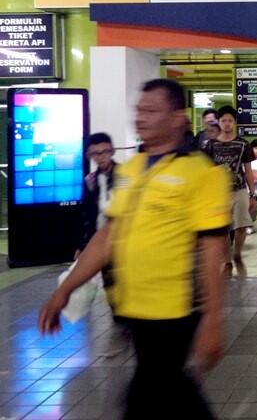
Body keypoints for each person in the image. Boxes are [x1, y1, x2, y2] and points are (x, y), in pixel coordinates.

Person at [39, 79, 230, 419]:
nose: (140, 117)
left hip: (175, 312)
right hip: (134, 309)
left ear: (177, 118)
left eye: (151, 110)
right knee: (167, 393)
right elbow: (107, 238)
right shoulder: (130, 170)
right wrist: (66, 288)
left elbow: (214, 250)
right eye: (139, 109)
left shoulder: (202, 173)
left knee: (148, 393)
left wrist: (213, 320)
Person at [80, 132, 129, 357]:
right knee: (109, 283)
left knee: (126, 279)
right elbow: (87, 215)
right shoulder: (89, 181)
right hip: (101, 239)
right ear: (90, 155)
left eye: (105, 152)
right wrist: (83, 244)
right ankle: (120, 322)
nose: (101, 157)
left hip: (124, 238)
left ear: (112, 151)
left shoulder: (124, 176)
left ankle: (130, 321)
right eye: (96, 154)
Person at [203, 105, 257, 276]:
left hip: (240, 189)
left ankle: (237, 253)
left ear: (235, 123)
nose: (227, 124)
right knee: (223, 228)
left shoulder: (243, 145)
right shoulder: (211, 145)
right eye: (223, 120)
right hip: (219, 193)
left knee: (241, 225)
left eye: (230, 121)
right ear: (219, 122)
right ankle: (227, 260)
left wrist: (252, 193)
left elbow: (248, 170)